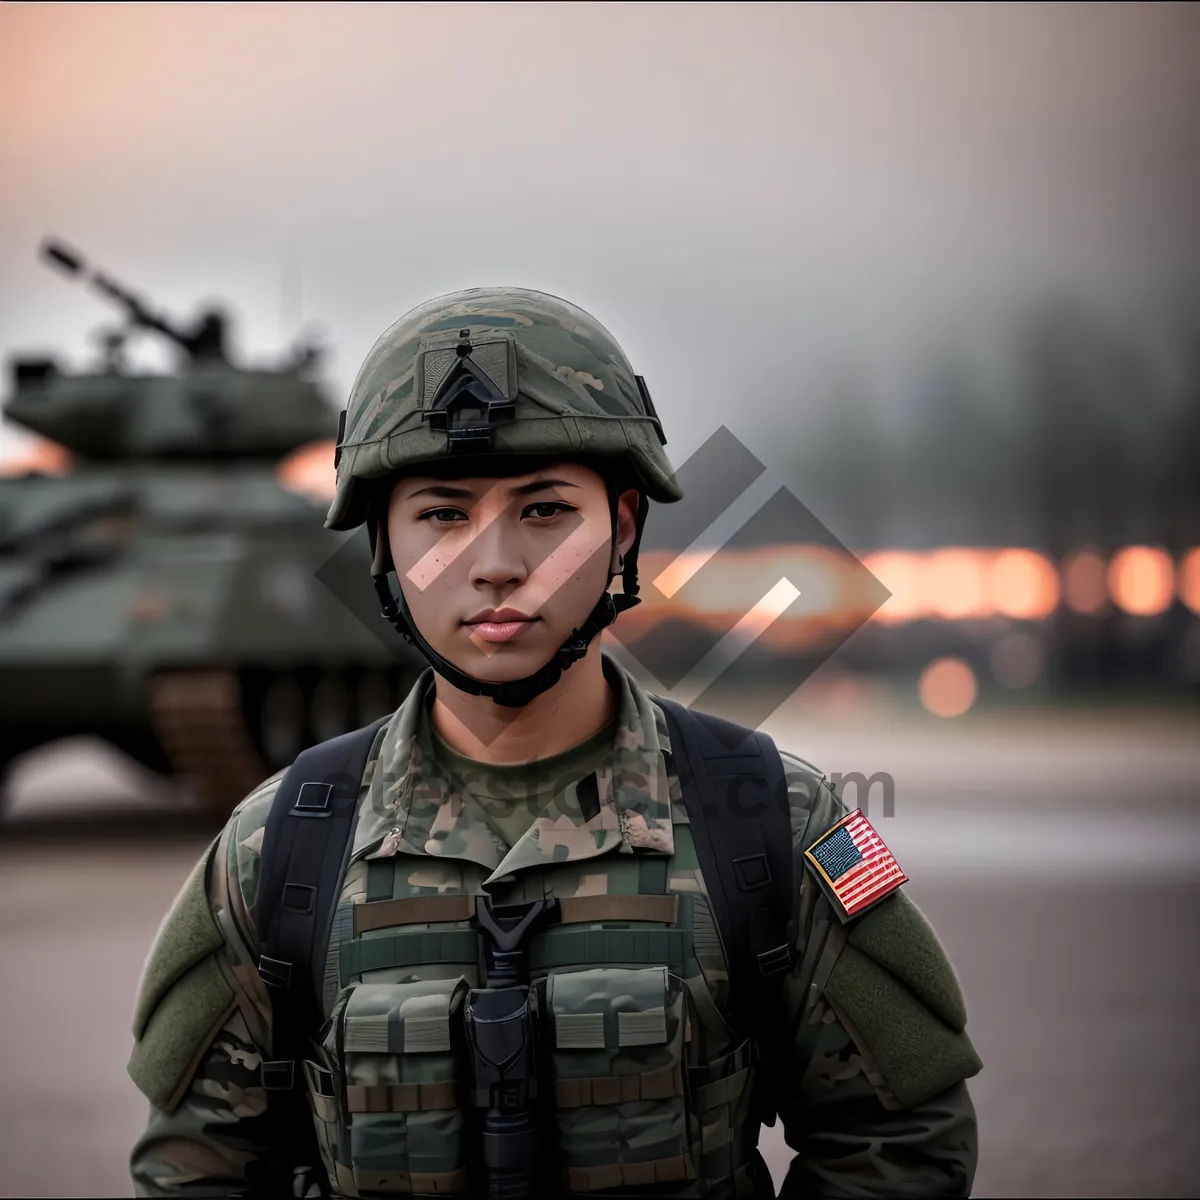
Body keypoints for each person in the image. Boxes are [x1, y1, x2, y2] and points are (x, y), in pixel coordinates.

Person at [128, 288, 981, 1198]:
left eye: (544, 511)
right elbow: (198, 1167)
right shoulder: (280, 846)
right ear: (382, 545)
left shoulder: (767, 819)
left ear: (621, 527)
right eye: (443, 515)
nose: (495, 562)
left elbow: (901, 1140)